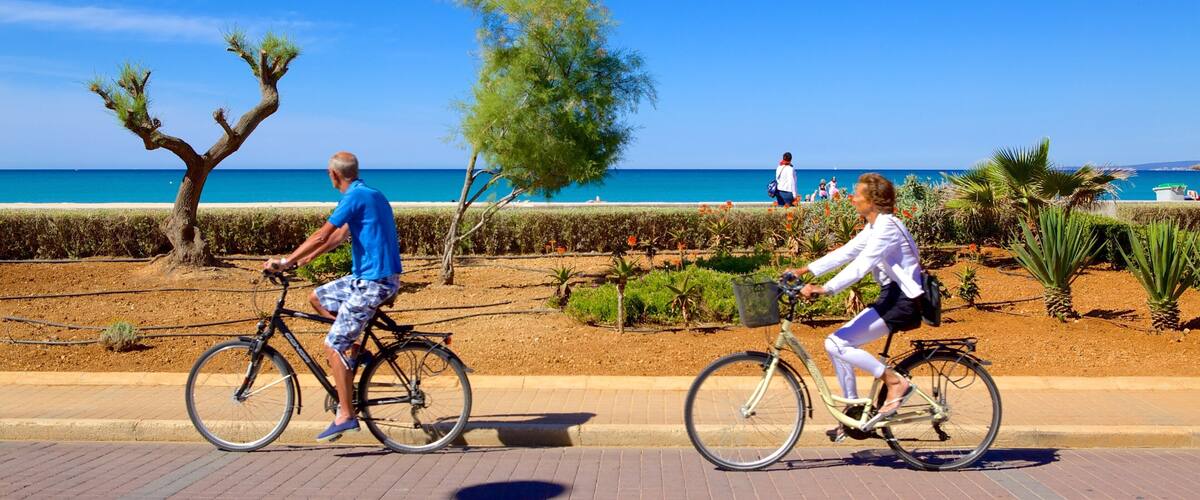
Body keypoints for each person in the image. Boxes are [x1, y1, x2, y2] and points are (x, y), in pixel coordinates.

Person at [264, 151, 403, 442]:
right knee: (317, 297)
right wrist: (303, 262)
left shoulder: (353, 197)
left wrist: (286, 261)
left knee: (332, 345)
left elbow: (321, 234)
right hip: (365, 278)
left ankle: (346, 414)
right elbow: (338, 237)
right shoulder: (370, 194)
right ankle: (354, 347)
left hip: (373, 282)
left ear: (333, 174)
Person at [784, 173, 924, 441]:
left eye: (857, 194)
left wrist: (825, 289)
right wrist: (805, 270)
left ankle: (895, 382)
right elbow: (847, 252)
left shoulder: (888, 228)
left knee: (836, 344)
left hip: (903, 300)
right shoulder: (875, 226)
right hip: (892, 296)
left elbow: (862, 265)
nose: (852, 198)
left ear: (872, 200)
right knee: (838, 345)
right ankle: (852, 414)